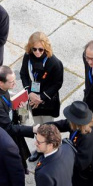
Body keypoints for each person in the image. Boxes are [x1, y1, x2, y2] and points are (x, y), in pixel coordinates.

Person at [0, 66, 39, 174]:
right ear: (1, 83)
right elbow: (9, 128)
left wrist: (21, 108)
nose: (14, 84)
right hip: (1, 136)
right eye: (11, 82)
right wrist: (32, 129)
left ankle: (22, 167)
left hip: (7, 125)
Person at [20, 31, 64, 162]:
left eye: (41, 49)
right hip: (33, 98)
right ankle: (40, 149)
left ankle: (52, 151)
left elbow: (57, 83)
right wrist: (30, 93)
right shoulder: (28, 57)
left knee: (49, 127)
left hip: (47, 101)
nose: (37, 52)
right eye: (34, 49)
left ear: (46, 48)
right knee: (37, 125)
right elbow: (23, 74)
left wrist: (41, 98)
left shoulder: (54, 63)